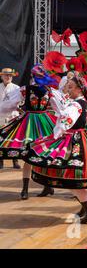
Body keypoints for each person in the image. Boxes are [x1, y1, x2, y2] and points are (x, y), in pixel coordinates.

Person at [24, 74, 87, 224]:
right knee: (75, 178)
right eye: (67, 86)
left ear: (79, 89)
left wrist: (56, 134)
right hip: (81, 139)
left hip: (73, 142)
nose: (67, 89)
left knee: (71, 178)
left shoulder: (76, 105)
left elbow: (66, 121)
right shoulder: (82, 102)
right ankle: (86, 210)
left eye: (70, 87)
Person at [0, 64, 57, 199]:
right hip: (42, 121)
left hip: (31, 122)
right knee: (38, 153)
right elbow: (59, 107)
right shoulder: (49, 90)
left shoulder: (27, 89)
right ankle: (38, 187)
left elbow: (9, 104)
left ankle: (33, 189)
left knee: (30, 155)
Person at [0, 68, 21, 169]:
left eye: (10, 75)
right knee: (0, 139)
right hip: (0, 117)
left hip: (12, 117)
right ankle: (0, 161)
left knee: (13, 138)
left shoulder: (16, 88)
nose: (8, 77)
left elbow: (20, 102)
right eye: (5, 75)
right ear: (2, 76)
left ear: (12, 77)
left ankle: (15, 160)